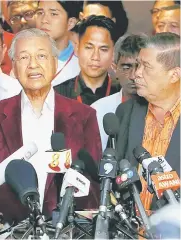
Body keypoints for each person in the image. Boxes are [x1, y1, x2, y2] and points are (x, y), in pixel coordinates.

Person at [0, 28, 102, 222]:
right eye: (24, 58)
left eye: (41, 56)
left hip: (67, 229)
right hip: (10, 229)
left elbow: (93, 185)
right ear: (14, 68)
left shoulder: (83, 116)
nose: (33, 65)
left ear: (55, 64)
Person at [115, 33, 180, 211]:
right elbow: (114, 178)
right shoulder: (126, 112)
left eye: (146, 67)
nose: (136, 74)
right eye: (138, 65)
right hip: (129, 231)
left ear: (174, 75)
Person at [91, 34, 146, 150]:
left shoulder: (161, 110)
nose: (133, 75)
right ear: (114, 68)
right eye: (126, 67)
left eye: (140, 66)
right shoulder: (98, 110)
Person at [54, 16, 121, 106]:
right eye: (89, 48)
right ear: (77, 49)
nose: (95, 57)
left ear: (113, 53)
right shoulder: (57, 94)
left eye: (103, 49)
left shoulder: (122, 92)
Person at [35, 0, 81, 86]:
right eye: (40, 13)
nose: (44, 20)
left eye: (53, 14)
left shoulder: (81, 65)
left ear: (70, 23)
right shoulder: (23, 58)